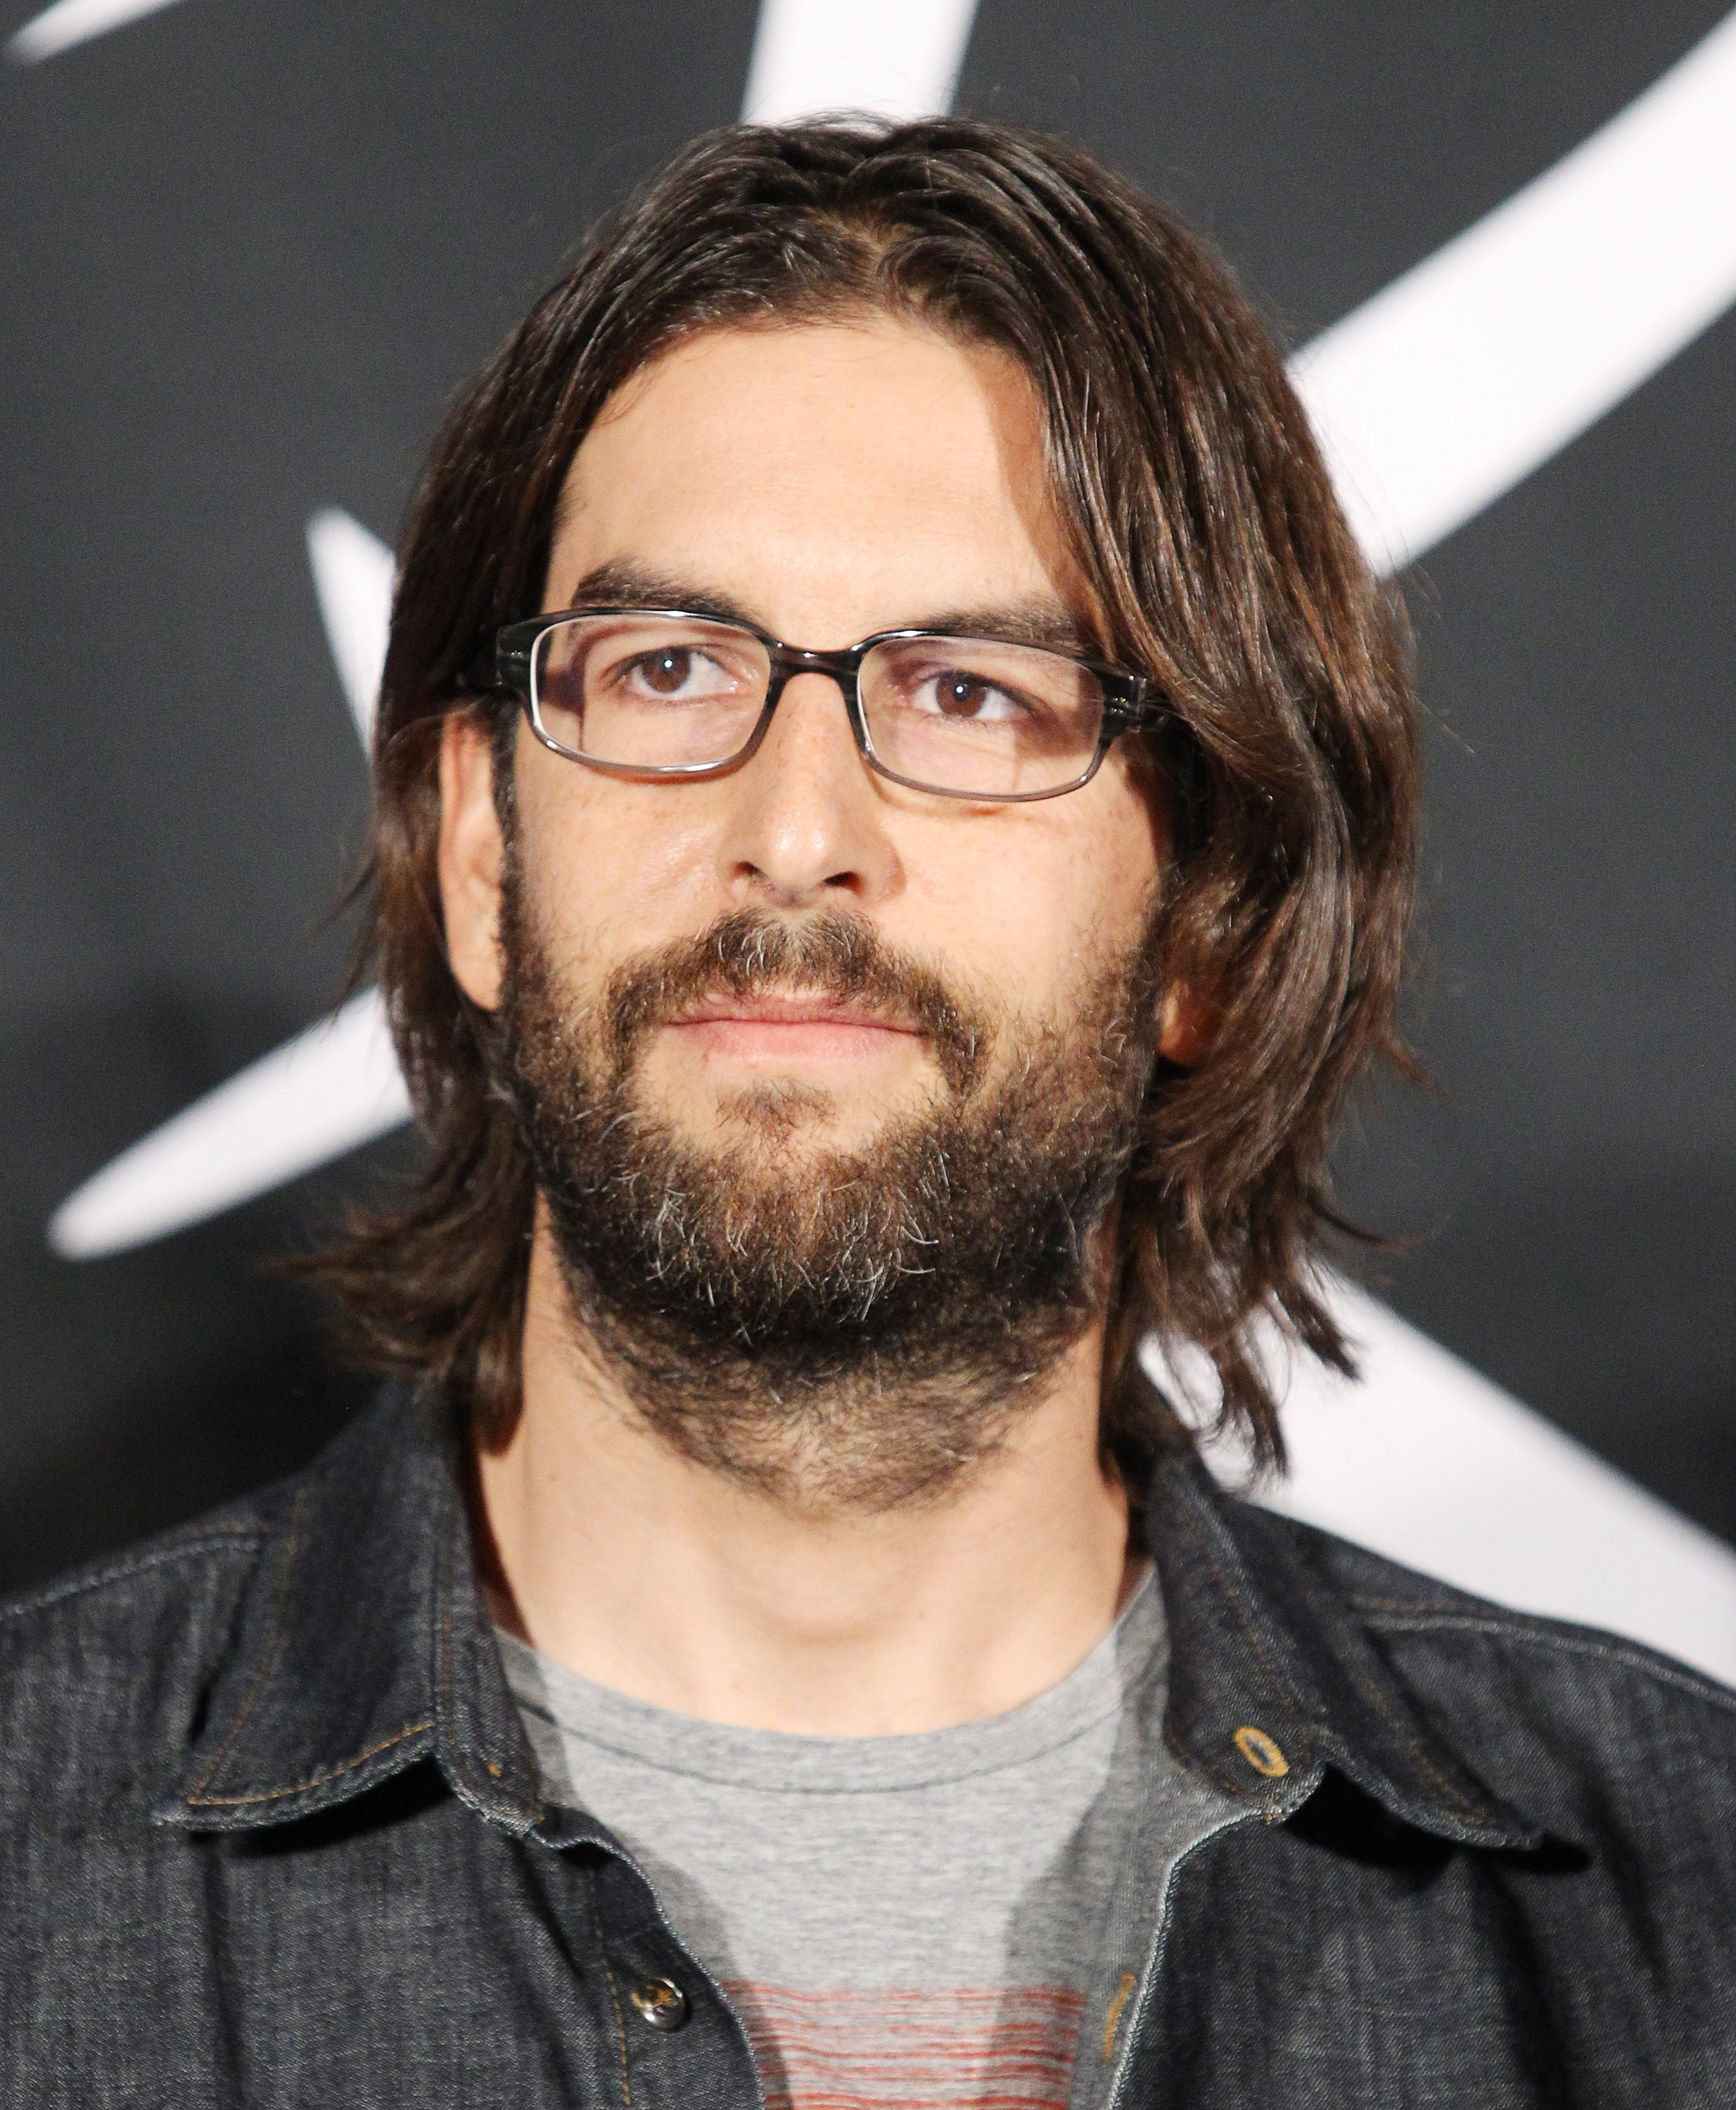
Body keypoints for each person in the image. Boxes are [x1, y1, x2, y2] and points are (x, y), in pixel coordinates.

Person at [2, 117, 1732, 2108]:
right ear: (482, 851)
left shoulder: (1672, 1924)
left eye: (973, 693)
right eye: (663, 669)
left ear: (1213, 925)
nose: (795, 833)